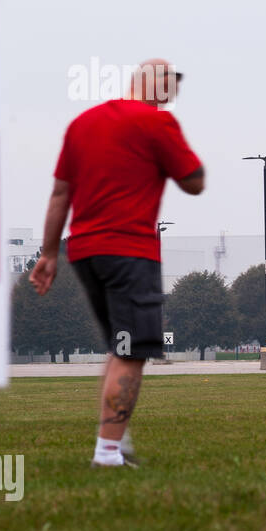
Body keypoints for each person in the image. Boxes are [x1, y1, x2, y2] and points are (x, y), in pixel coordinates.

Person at [29, 59, 204, 467]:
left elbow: (60, 193)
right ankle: (107, 452)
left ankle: (115, 442)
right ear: (154, 85)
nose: (173, 90)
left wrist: (49, 253)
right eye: (170, 82)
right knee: (132, 350)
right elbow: (194, 181)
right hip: (129, 250)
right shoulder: (157, 123)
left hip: (85, 251)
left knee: (119, 344)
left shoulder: (82, 123)